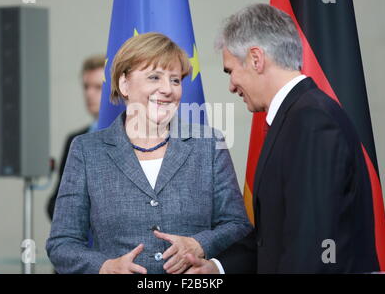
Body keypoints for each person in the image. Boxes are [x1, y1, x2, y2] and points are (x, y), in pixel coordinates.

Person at [185, 3, 380, 273]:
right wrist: (217, 268)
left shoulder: (311, 120)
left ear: (256, 59)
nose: (231, 86)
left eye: (230, 71)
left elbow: (311, 242)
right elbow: (276, 234)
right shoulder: (298, 115)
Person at [46, 32, 252, 274]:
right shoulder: (87, 150)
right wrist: (104, 267)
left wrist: (200, 244)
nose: (167, 89)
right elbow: (62, 244)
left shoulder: (208, 144)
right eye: (154, 77)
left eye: (175, 80)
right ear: (124, 84)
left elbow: (238, 225)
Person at [46, 54, 105, 221]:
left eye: (97, 87)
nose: (89, 94)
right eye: (86, 87)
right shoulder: (76, 140)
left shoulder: (132, 136)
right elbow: (55, 204)